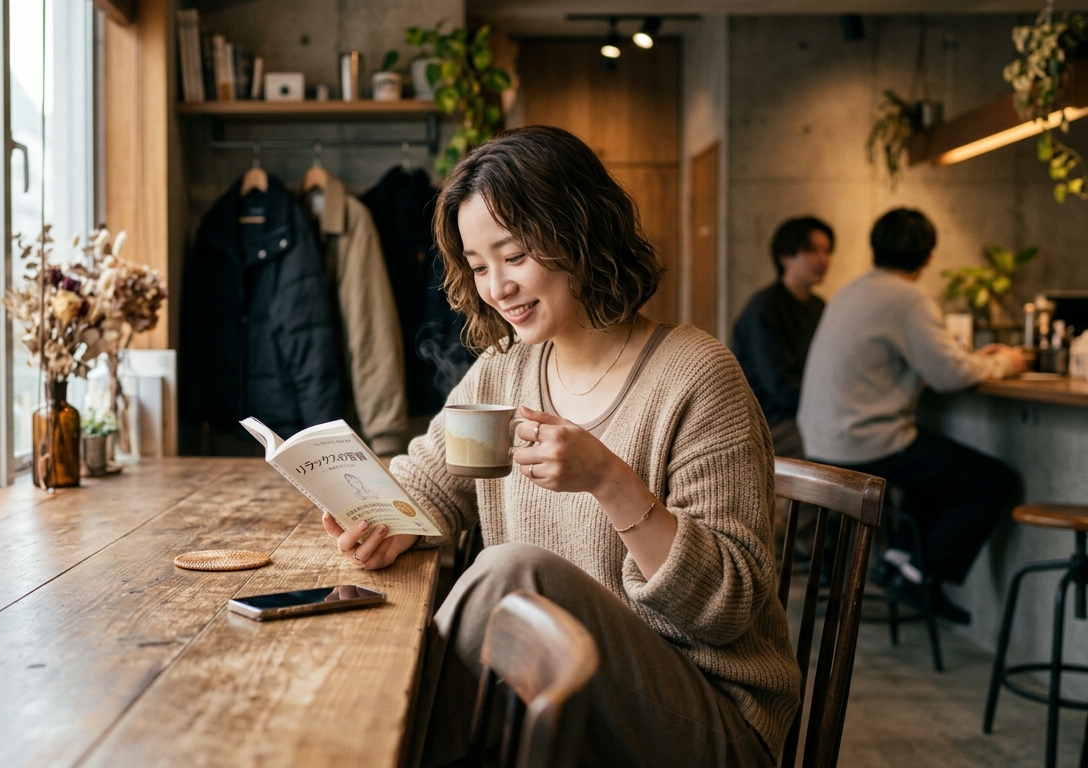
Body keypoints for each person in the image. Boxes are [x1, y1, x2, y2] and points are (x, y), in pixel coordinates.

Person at [320, 126, 800, 767]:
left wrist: (612, 481)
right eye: (479, 265)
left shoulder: (697, 377)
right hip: (562, 704)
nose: (496, 287)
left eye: (514, 255)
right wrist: (383, 518)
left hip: (707, 719)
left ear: (581, 234)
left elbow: (730, 606)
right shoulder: (504, 371)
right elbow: (433, 481)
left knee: (515, 573)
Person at [797, 208, 1025, 624]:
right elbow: (949, 375)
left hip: (824, 440)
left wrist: (970, 360)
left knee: (936, 472)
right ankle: (920, 575)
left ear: (874, 248)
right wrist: (1006, 363)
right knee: (991, 481)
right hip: (865, 443)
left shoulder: (851, 290)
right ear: (928, 256)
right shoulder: (908, 298)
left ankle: (898, 561)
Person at [732, 216, 834, 459]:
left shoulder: (819, 306)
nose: (823, 260)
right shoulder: (764, 307)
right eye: (811, 251)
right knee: (832, 448)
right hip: (768, 420)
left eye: (827, 251)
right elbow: (779, 386)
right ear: (785, 257)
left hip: (805, 412)